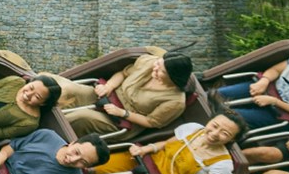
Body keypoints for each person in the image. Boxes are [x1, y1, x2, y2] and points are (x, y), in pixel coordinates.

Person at [92, 111, 246, 174]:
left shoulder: (223, 163)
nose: (214, 133)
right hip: (145, 161)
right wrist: (144, 149)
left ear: (231, 140)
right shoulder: (193, 129)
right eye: (214, 126)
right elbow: (165, 144)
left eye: (224, 133)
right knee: (97, 168)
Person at [216, 35, 289, 133]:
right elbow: (276, 70)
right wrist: (264, 81)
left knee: (229, 118)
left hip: (283, 114)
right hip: (268, 90)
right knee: (215, 95)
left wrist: (275, 101)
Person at [61, 51, 192, 136]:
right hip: (110, 94)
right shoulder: (149, 62)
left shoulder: (175, 102)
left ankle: (51, 128)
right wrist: (108, 86)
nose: (155, 67)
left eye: (161, 71)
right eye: (158, 63)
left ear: (173, 77)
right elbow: (123, 74)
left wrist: (122, 113)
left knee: (82, 117)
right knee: (69, 90)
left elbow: (151, 122)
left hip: (122, 120)